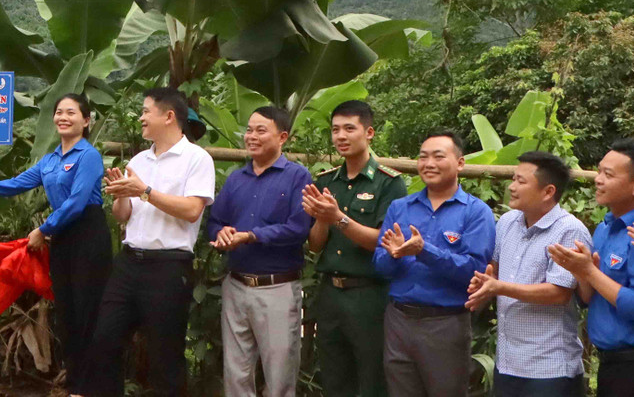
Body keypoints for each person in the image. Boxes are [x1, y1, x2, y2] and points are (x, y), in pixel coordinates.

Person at [0, 93, 110, 395]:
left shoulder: (88, 156)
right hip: (62, 238)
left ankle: (94, 387)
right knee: (67, 313)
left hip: (88, 236)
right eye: (59, 112)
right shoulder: (49, 161)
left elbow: (77, 202)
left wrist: (43, 229)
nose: (63, 117)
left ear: (86, 121)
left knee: (88, 311)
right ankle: (75, 386)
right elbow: (14, 184)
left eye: (71, 112)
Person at [79, 88, 214, 397]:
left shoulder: (197, 159)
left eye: (145, 111)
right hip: (129, 264)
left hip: (168, 267)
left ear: (169, 116)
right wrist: (122, 194)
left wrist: (144, 191)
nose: (140, 117)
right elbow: (123, 216)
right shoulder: (139, 160)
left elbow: (192, 210)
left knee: (165, 354)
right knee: (104, 340)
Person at [373, 131, 494, 397]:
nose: (429, 164)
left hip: (446, 323)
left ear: (460, 163)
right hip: (399, 321)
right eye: (423, 157)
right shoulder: (400, 207)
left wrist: (424, 250)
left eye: (438, 157)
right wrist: (394, 255)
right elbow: (379, 266)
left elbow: (473, 272)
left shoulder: (475, 212)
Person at [207, 107, 313, 397]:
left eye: (261, 130)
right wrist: (221, 233)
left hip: (277, 287)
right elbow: (215, 221)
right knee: (236, 374)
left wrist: (252, 236)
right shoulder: (236, 178)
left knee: (279, 375)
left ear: (282, 137)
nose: (251, 136)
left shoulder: (298, 177)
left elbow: (298, 228)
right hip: (236, 284)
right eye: (249, 130)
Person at [464, 151, 590, 397]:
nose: (511, 187)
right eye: (513, 179)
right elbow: (494, 271)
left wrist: (499, 287)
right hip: (508, 363)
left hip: (550, 368)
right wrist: (484, 284)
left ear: (548, 191)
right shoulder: (507, 222)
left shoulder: (569, 230)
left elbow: (559, 293)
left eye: (521, 181)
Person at [303, 100, 406, 397]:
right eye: (335, 130)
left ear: (369, 133)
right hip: (330, 294)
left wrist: (338, 217)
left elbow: (384, 242)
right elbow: (315, 245)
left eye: (349, 128)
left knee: (373, 379)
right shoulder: (326, 181)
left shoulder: (389, 183)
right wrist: (322, 219)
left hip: (369, 295)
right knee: (334, 378)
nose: (341, 136)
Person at [547, 138, 634, 396]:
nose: (598, 180)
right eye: (599, 171)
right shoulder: (604, 229)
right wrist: (581, 272)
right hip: (610, 364)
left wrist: (590, 272)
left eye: (608, 175)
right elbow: (589, 300)